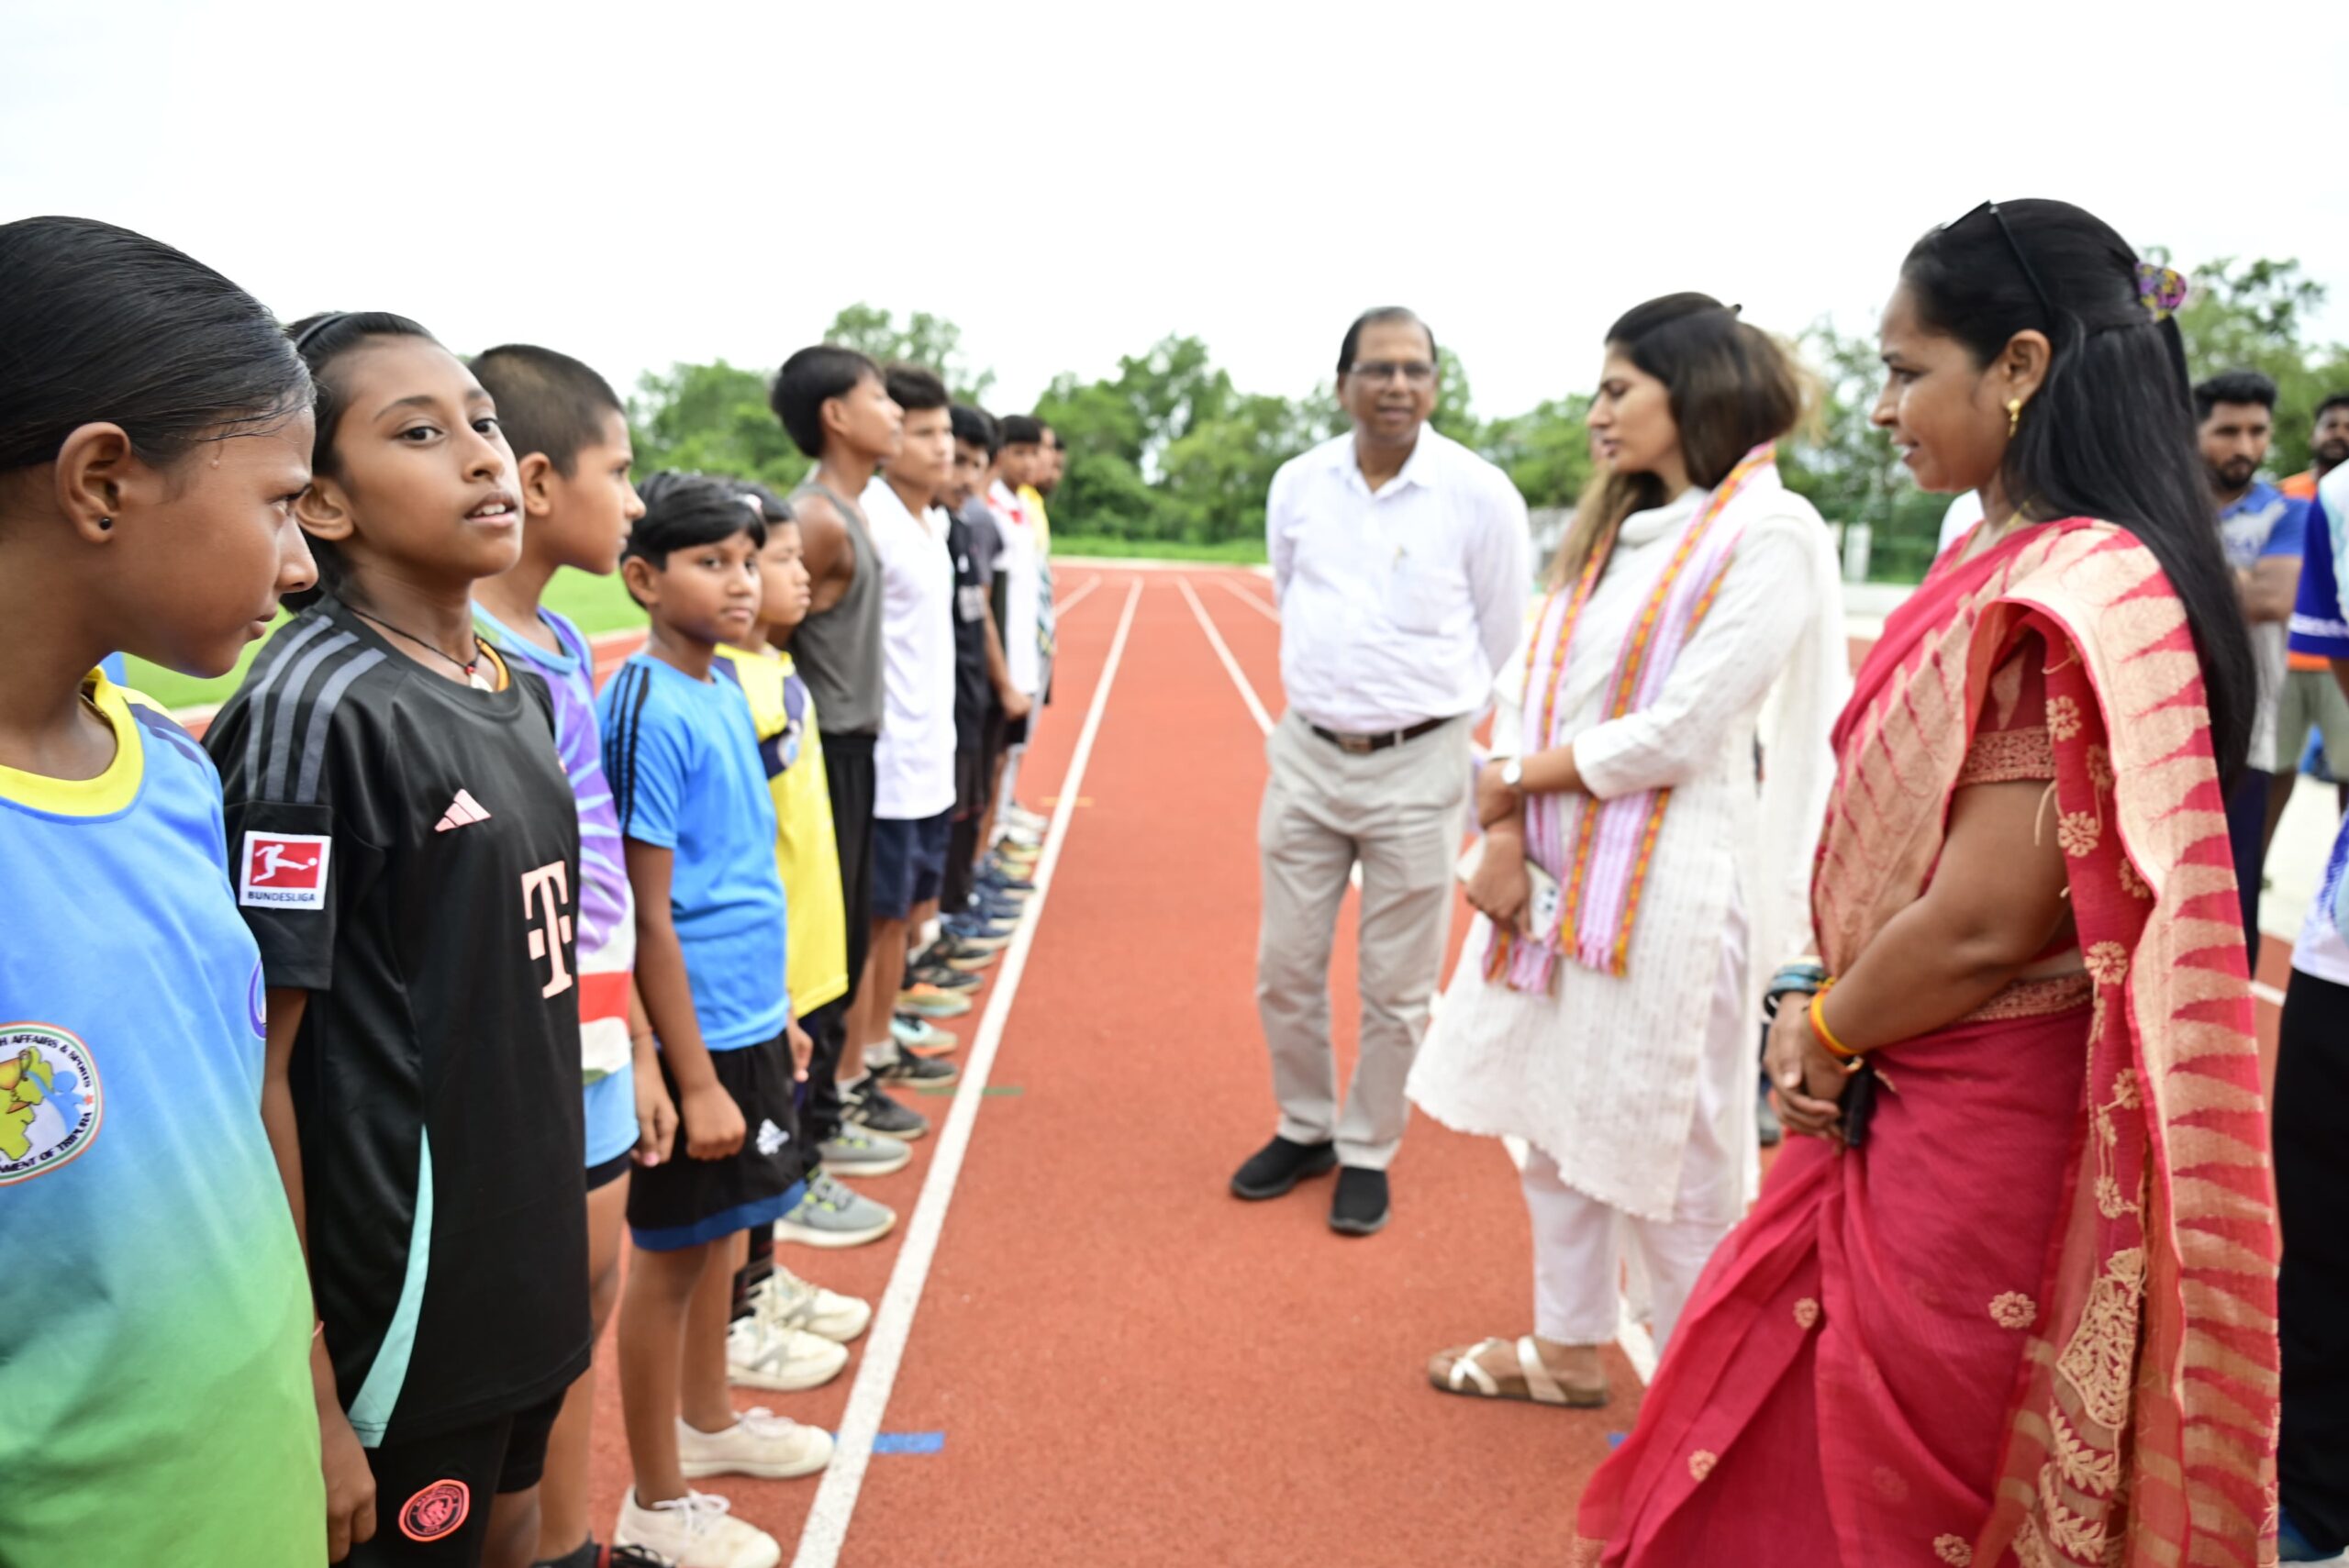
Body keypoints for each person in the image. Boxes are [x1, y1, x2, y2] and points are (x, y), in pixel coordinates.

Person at [1575, 199, 2273, 1566]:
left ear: (2018, 365)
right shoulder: (1999, 549)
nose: (1882, 407)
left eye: (1904, 371)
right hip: (1900, 1069)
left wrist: (1827, 1027)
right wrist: (1816, 988)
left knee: (1904, 1491)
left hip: (1976, 1114)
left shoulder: (2081, 588)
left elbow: (1981, 923)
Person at [207, 312, 596, 1568]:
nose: (484, 455)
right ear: (321, 500)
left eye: (483, 420)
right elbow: (257, 1068)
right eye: (420, 434)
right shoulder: (317, 709)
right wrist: (308, 1373)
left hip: (521, 1253)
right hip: (402, 1313)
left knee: (521, 1525)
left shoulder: (516, 687)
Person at [1409, 295, 1847, 1403]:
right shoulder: (1612, 533)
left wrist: (1512, 782)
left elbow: (1683, 730)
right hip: (1550, 879)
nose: (1595, 413)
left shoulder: (1770, 532)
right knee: (1553, 1121)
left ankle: (1702, 1394)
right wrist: (1499, 831)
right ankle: (1566, 1347)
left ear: (1690, 391)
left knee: (1674, 1147)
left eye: (1617, 389)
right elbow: (1524, 690)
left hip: (1671, 894)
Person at [0, 216, 324, 1566]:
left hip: (258, 1478)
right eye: (280, 502)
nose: (302, 564)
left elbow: (235, 1119)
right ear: (101, 482)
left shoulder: (173, 769)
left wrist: (312, 1387)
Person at [1233, 306, 1531, 1237]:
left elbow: (1504, 637)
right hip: (1307, 754)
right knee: (1284, 967)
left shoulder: (1479, 494)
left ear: (1434, 384)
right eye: (1378, 368)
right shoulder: (1298, 484)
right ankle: (1305, 1124)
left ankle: (1366, 1145)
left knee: (1397, 985)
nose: (1397, 384)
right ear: (1343, 385)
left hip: (1419, 763)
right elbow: (1292, 592)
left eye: (1415, 369)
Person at [463, 343, 674, 1568]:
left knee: (586, 1303)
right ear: (540, 482)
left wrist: (636, 1040)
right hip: (530, 1055)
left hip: (595, 1037)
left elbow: (595, 879)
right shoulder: (474, 660)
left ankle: (574, 1541)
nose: (635, 500)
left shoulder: (555, 641)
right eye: (621, 471)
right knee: (535, 1338)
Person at [599, 473, 830, 1568]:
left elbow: (743, 871)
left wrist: (776, 1011)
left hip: (747, 1011)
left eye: (748, 560)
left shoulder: (727, 684)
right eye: (711, 562)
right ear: (644, 578)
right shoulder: (644, 704)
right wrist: (684, 1073)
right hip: (696, 1028)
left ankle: (709, 1417)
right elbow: (645, 908)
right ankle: (655, 1499)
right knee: (669, 1258)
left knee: (726, 1234)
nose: (740, 582)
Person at [710, 487, 880, 1365]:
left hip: (804, 960)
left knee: (777, 1141)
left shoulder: (779, 667)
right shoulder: (723, 686)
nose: (796, 575)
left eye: (778, 558)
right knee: (751, 1151)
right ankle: (737, 1318)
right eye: (775, 559)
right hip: (760, 974)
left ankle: (766, 1278)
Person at [767, 346, 906, 1247]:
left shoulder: (853, 510)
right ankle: (799, 1156)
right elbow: (762, 636)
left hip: (856, 750)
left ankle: (819, 1120)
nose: (893, 411)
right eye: (879, 396)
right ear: (835, 416)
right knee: (819, 954)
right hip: (823, 756)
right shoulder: (817, 519)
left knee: (845, 944)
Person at [852, 365, 969, 1093]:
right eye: (924, 433)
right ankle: (860, 1059)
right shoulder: (870, 517)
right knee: (878, 919)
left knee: (904, 917)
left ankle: (884, 1034)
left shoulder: (939, 522)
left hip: (932, 750)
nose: (942, 446)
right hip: (888, 757)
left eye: (945, 431)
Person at [2276, 462, 2349, 1562]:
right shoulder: (2341, 498)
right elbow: (2330, 683)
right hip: (2340, 947)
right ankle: (2315, 1492)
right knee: (2325, 1231)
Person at [2196, 369, 2308, 953]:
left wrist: (2182, 547)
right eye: (2227, 431)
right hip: (2157, 726)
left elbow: (2269, 599)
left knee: (2231, 903)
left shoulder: (2288, 514)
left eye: (2257, 431)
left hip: (2247, 733)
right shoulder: (2167, 504)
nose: (2245, 446)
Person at [2277, 391, 2349, 821]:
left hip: (2338, 663)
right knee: (2272, 771)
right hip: (2285, 658)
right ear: (2314, 433)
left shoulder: (2339, 496)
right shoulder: (2285, 496)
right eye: (2331, 425)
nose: (2339, 433)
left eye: (2348, 427)